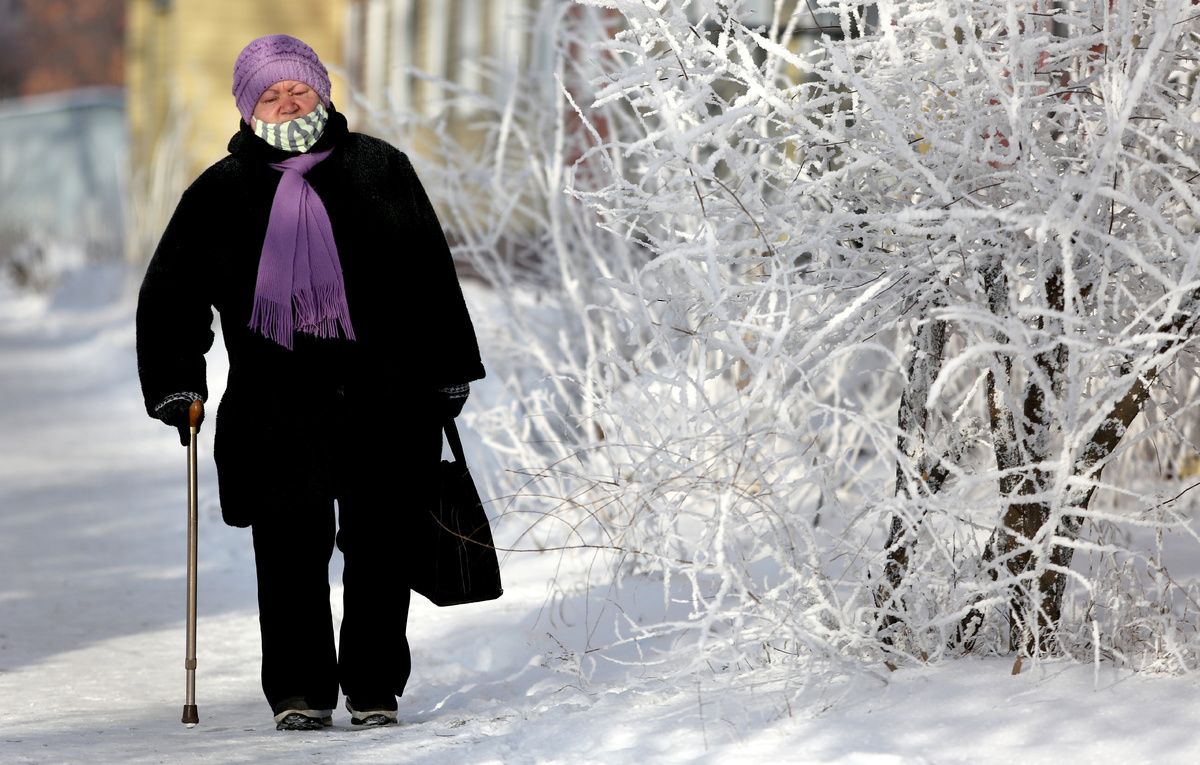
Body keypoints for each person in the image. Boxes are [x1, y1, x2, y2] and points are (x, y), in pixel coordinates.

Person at [136, 34, 484, 731]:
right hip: (277, 408)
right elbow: (172, 294)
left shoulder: (381, 169)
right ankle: (300, 690)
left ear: (321, 90)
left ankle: (375, 686)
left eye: (298, 87)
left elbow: (429, 277)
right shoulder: (220, 193)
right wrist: (177, 379)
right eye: (271, 92)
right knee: (290, 556)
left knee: (382, 548)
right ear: (248, 106)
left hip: (386, 398)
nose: (288, 100)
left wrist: (448, 368)